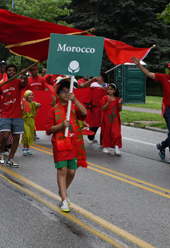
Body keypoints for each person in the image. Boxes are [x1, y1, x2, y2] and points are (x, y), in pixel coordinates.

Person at [45, 79, 87, 213]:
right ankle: (64, 200)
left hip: (73, 144)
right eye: (63, 91)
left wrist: (75, 100)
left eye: (68, 91)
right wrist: (62, 125)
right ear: (58, 95)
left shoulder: (73, 107)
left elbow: (84, 114)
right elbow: (48, 129)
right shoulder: (53, 110)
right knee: (62, 170)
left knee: (71, 171)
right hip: (59, 144)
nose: (66, 93)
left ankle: (62, 190)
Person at [0, 64, 29, 168]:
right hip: (5, 114)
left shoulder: (18, 82)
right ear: (6, 72)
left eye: (13, 70)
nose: (11, 72)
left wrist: (25, 74)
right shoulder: (2, 84)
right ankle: (2, 151)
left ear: (16, 73)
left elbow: (25, 82)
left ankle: (10, 159)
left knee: (17, 137)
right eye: (9, 70)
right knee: (5, 136)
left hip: (17, 115)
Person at [100, 83, 122, 156]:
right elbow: (103, 108)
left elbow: (119, 109)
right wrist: (108, 102)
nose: (109, 90)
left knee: (116, 133)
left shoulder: (117, 99)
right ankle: (105, 147)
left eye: (111, 89)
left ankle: (116, 148)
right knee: (107, 132)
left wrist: (119, 104)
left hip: (115, 119)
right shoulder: (105, 98)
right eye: (108, 89)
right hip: (107, 119)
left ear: (114, 90)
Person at [87, 72, 108, 144]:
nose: (97, 77)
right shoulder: (93, 84)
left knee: (103, 124)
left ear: (103, 77)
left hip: (104, 107)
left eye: (99, 76)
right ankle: (90, 137)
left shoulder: (108, 85)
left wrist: (106, 90)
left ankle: (103, 142)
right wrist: (91, 89)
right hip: (95, 107)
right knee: (95, 123)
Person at [21, 90, 41, 156]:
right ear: (26, 96)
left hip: (31, 121)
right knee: (26, 134)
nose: (31, 96)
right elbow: (20, 110)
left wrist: (38, 105)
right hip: (25, 120)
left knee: (30, 135)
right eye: (29, 95)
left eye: (32, 95)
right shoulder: (23, 103)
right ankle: (24, 148)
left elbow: (38, 105)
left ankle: (28, 148)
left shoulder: (33, 103)